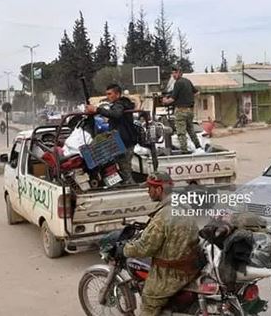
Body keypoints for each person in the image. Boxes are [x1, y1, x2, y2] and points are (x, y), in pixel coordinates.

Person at [120, 172, 200, 316]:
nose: (148, 191)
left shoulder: (163, 216)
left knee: (149, 300)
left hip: (171, 274)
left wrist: (124, 249)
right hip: (191, 265)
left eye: (150, 188)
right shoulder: (185, 205)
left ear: (159, 189)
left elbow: (145, 247)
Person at [85, 84, 137, 184]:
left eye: (110, 94)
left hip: (124, 141)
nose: (108, 96)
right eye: (107, 94)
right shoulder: (121, 104)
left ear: (117, 94)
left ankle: (132, 189)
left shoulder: (120, 104)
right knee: (120, 168)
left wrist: (97, 109)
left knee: (125, 170)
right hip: (122, 141)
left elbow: (116, 114)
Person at [162, 66, 202, 153]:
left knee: (181, 132)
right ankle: (198, 147)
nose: (173, 75)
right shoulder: (187, 81)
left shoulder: (178, 83)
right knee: (191, 130)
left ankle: (184, 150)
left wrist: (165, 101)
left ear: (180, 73)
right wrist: (189, 99)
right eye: (173, 73)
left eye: (175, 73)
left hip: (180, 110)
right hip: (189, 110)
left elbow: (172, 99)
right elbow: (197, 92)